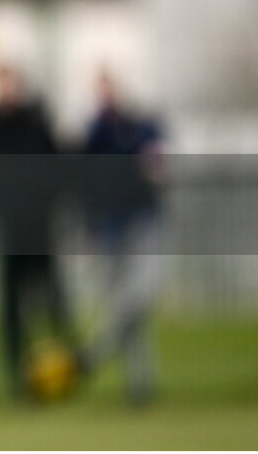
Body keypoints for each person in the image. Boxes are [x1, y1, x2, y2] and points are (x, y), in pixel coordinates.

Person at [0, 63, 77, 398]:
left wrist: (47, 204)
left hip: (41, 232)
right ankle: (19, 378)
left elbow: (61, 169)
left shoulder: (38, 129)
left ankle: (66, 371)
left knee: (53, 304)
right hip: (9, 235)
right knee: (11, 310)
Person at [78, 68, 163, 405]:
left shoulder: (141, 127)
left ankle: (92, 355)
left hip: (140, 223)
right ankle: (140, 384)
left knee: (137, 298)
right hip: (108, 229)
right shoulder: (93, 134)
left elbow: (158, 164)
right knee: (125, 310)